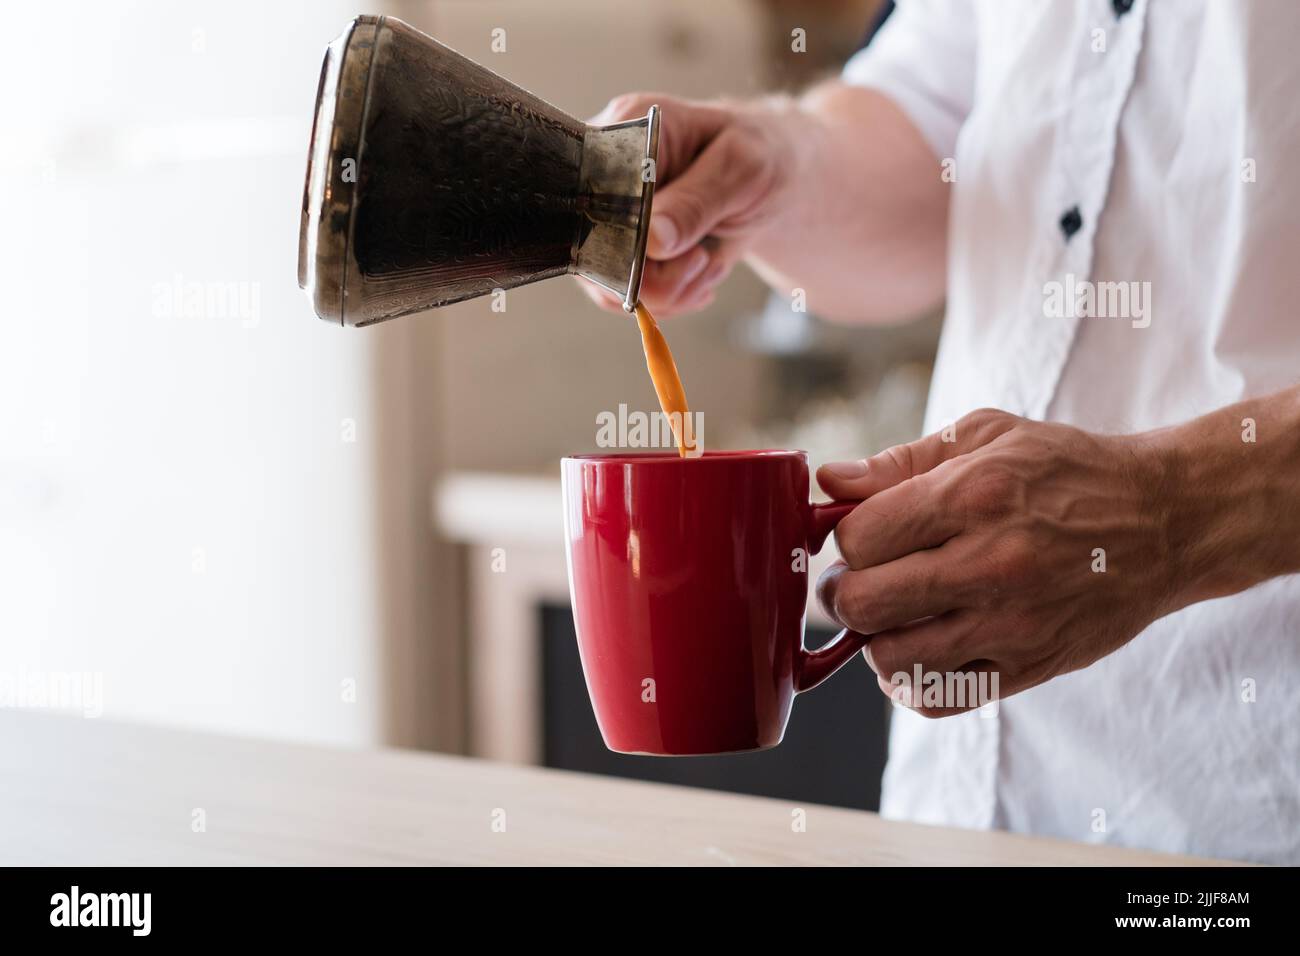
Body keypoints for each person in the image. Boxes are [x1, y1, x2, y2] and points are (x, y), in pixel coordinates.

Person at [581, 0, 1300, 864]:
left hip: (1251, 811)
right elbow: (932, 134)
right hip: (955, 814)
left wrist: (1176, 509)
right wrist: (771, 159)